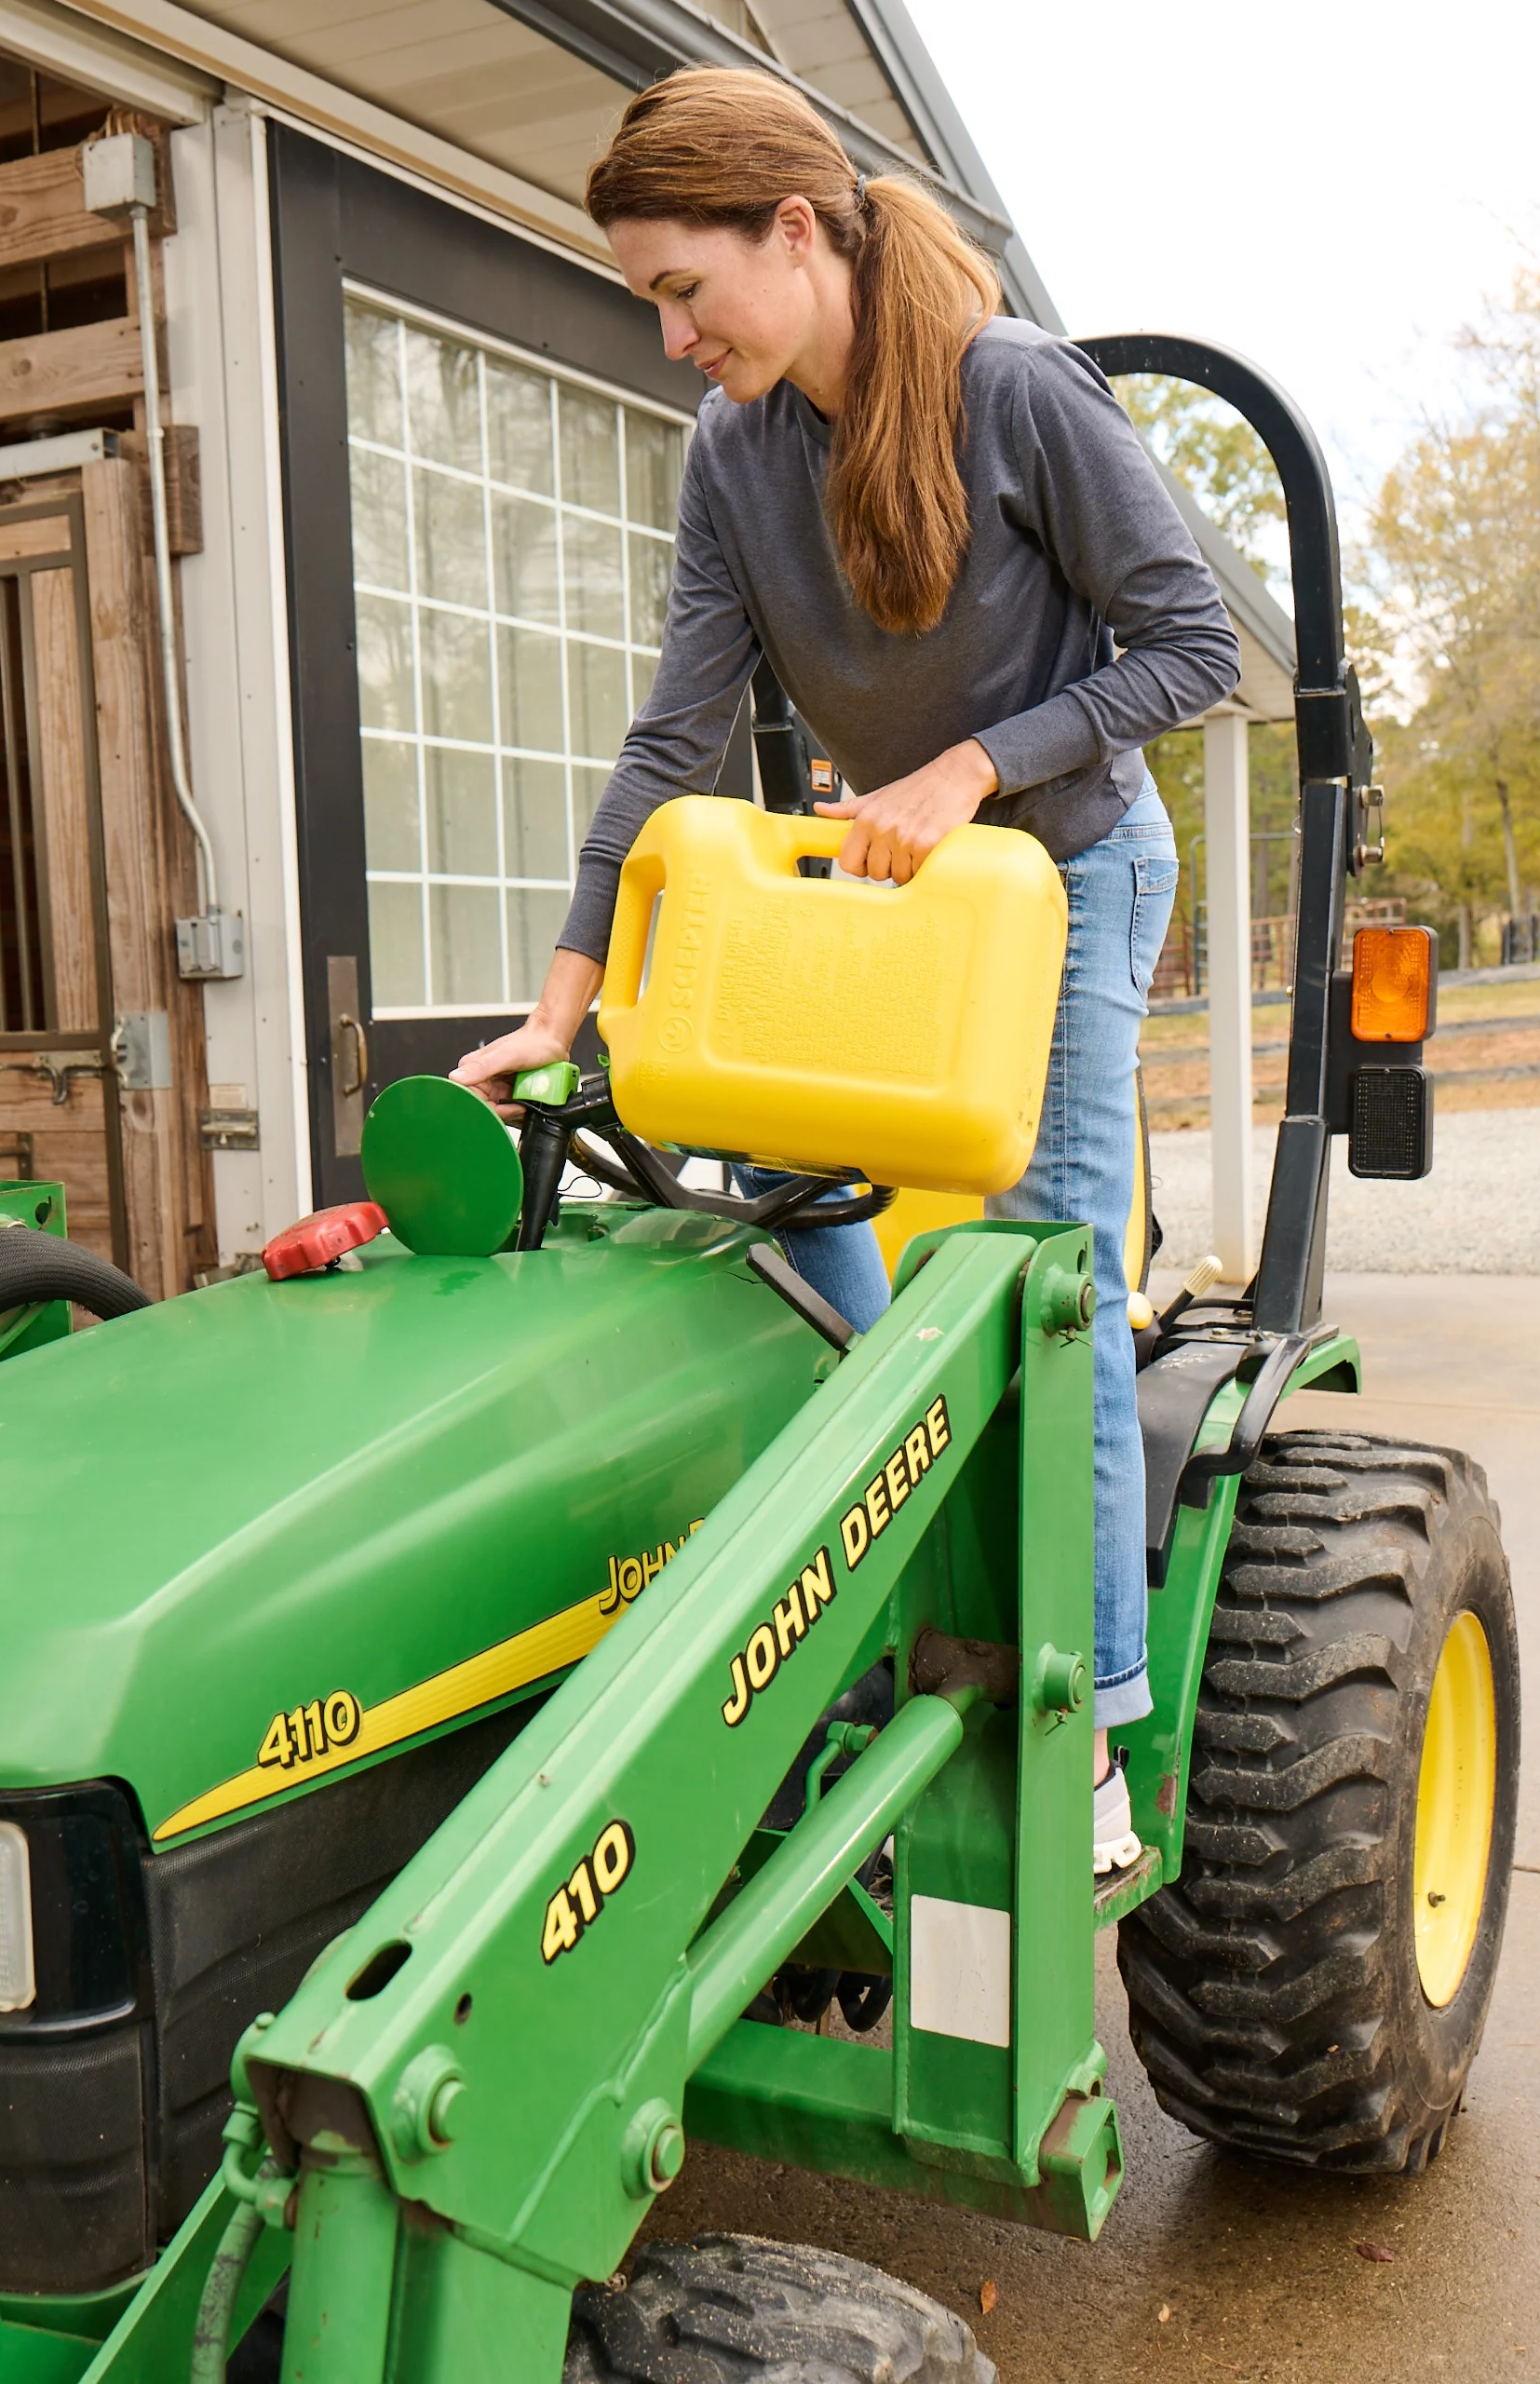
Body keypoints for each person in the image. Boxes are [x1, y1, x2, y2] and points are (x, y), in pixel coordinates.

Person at [452, 67, 1241, 1874]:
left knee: (1038, 1285)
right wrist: (565, 993)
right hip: (882, 895)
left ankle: (1097, 1728)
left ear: (792, 233)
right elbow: (676, 738)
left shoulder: (1013, 392)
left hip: (1062, 873)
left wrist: (977, 764)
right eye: (649, 297)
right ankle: (913, 1536)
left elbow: (1188, 642)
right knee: (787, 1207)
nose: (670, 336)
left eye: (682, 287)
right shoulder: (736, 459)